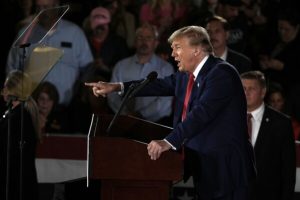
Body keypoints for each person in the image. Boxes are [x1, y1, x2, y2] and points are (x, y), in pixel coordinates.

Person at [86, 25, 256, 200]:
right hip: (204, 164)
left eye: (177, 47)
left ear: (196, 50)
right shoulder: (185, 75)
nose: (173, 54)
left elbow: (201, 114)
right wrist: (116, 87)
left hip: (226, 168)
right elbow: (156, 85)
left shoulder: (221, 73)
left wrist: (168, 141)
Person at [6, 0, 94, 107]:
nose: (41, 11)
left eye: (45, 7)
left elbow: (88, 66)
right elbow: (12, 68)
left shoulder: (75, 33)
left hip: (66, 107)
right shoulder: (25, 34)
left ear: (56, 7)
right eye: (38, 7)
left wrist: (81, 92)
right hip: (31, 107)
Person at [240, 70, 296, 200]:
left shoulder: (281, 124)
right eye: (242, 88)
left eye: (251, 88)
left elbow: (288, 172)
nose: (246, 92)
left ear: (263, 92)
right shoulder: (228, 119)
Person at [107, 24, 174, 124]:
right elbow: (112, 95)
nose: (144, 41)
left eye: (148, 38)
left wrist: (141, 115)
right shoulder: (121, 66)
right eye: (140, 37)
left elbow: (165, 101)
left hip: (156, 124)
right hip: (123, 121)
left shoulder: (166, 68)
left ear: (156, 43)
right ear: (134, 42)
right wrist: (126, 114)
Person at [0, 70, 40, 200]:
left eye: (6, 86)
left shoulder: (20, 117)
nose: (3, 89)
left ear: (14, 90)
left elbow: (10, 151)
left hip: (16, 183)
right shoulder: (18, 114)